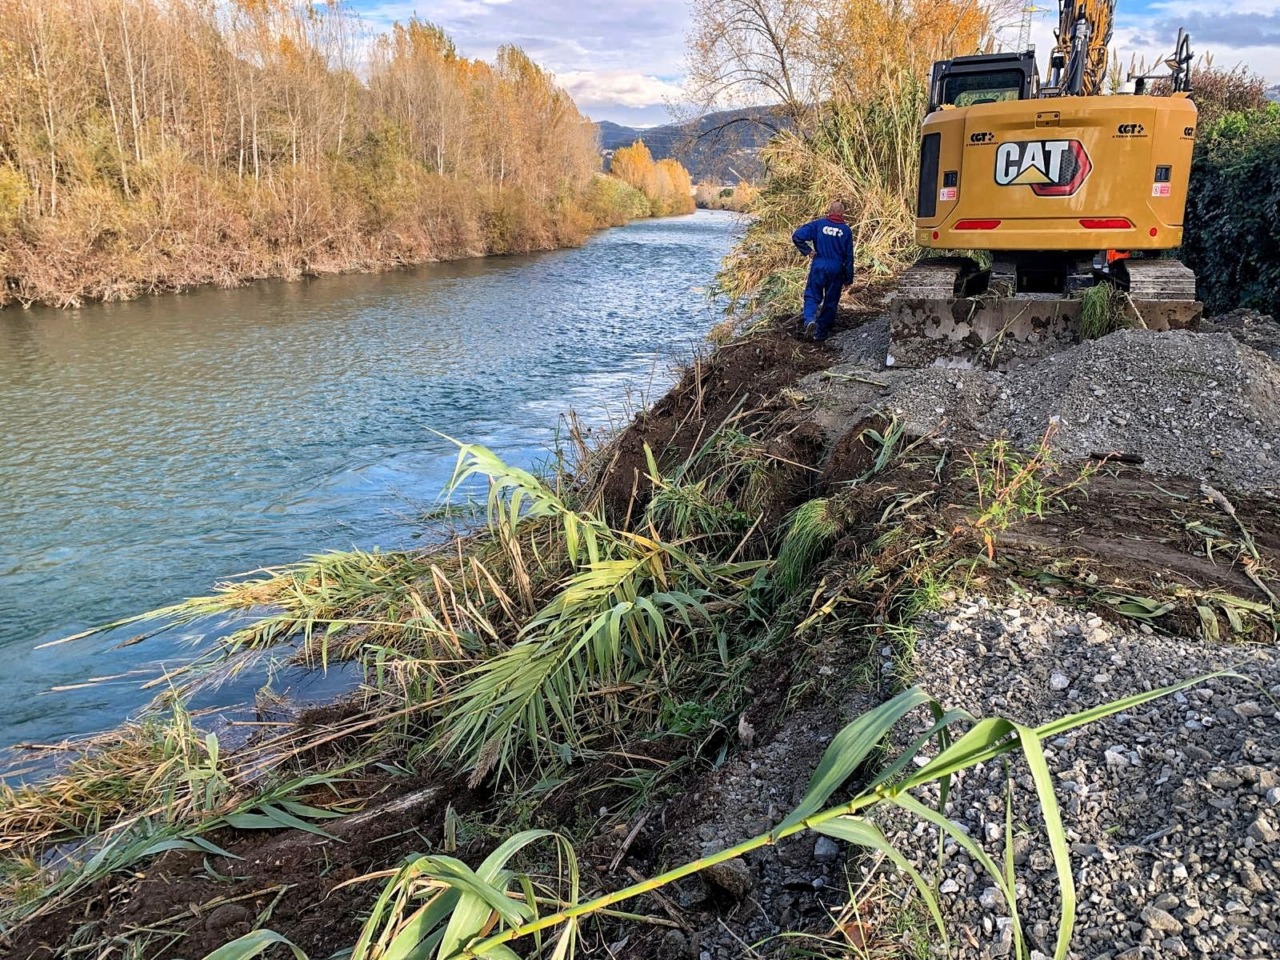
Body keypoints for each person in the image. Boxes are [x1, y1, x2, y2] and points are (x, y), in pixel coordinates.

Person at [791, 201, 854, 342]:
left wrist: (807, 251)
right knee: (831, 300)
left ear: (829, 212)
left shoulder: (819, 224)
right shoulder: (846, 230)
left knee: (812, 295)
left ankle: (809, 321)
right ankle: (821, 333)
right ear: (842, 214)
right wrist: (848, 279)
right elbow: (849, 257)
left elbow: (797, 236)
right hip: (837, 268)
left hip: (819, 264)